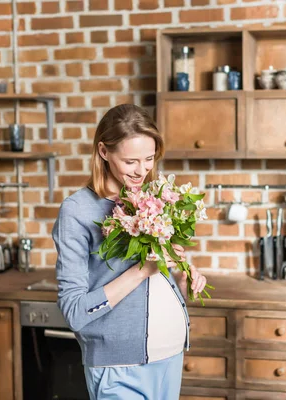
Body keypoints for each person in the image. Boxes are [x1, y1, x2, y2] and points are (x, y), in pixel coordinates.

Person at [52, 104, 208, 400]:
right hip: (119, 365)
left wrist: (183, 278)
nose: (142, 170)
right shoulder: (77, 211)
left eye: (149, 159)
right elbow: (74, 312)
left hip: (170, 354)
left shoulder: (154, 198)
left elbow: (159, 273)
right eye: (131, 161)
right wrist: (143, 271)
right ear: (103, 151)